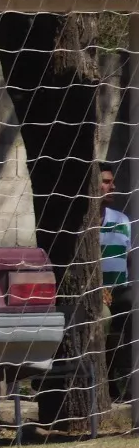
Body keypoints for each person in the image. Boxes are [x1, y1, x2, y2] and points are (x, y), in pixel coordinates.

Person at [100, 163, 131, 399]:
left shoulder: (122, 220)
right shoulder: (81, 224)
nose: (113, 186)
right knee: (103, 318)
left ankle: (131, 382)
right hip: (95, 295)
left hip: (121, 290)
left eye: (113, 181)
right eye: (106, 181)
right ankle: (108, 381)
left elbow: (129, 260)